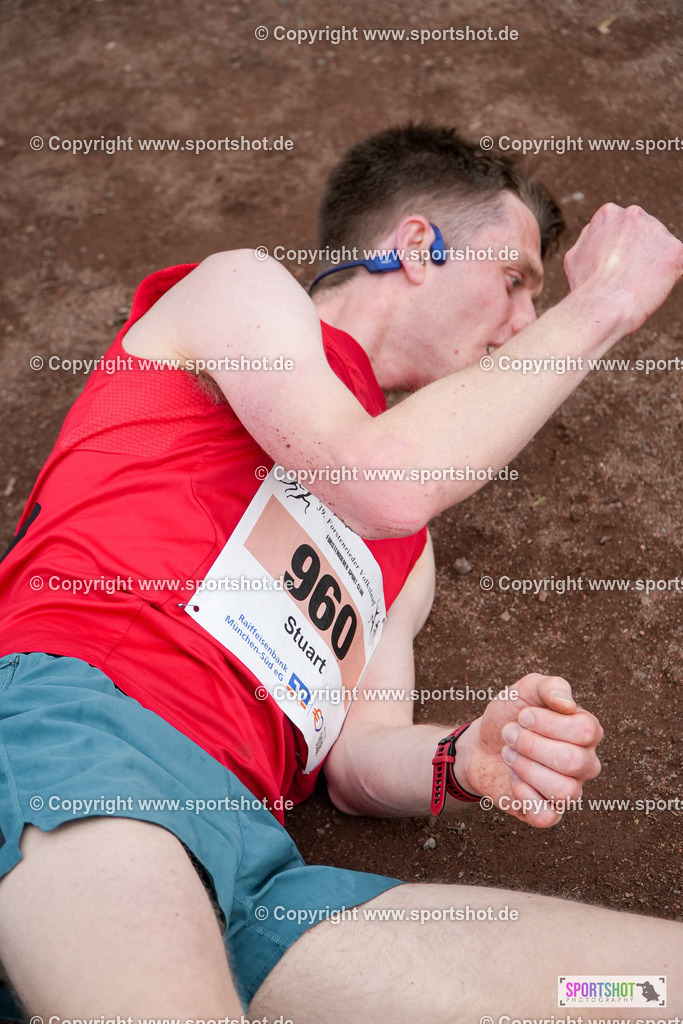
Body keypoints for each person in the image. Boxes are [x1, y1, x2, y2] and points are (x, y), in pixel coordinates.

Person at [0, 124, 680, 1020]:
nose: (524, 321)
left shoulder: (409, 553)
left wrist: (462, 757)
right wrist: (603, 304)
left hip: (258, 881)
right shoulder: (239, 291)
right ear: (415, 247)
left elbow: (355, 761)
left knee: (641, 988)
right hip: (87, 749)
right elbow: (377, 480)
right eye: (515, 279)